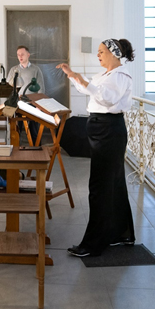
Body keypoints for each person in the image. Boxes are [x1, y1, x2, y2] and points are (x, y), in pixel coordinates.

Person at [57, 38, 136, 257]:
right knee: (114, 184)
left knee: (100, 187)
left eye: (101, 52)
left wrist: (82, 79)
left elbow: (108, 99)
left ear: (114, 53)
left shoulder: (121, 76)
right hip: (103, 131)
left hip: (109, 132)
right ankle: (120, 234)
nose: (98, 55)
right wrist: (73, 76)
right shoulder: (104, 75)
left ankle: (93, 244)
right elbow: (89, 90)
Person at [10, 45, 45, 141]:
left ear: (28, 55)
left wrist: (39, 106)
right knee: (16, 130)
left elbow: (41, 89)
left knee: (34, 130)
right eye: (18, 55)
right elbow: (9, 87)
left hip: (32, 104)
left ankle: (36, 147)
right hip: (18, 104)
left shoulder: (36, 70)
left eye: (22, 54)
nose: (20, 56)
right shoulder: (14, 70)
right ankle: (16, 148)